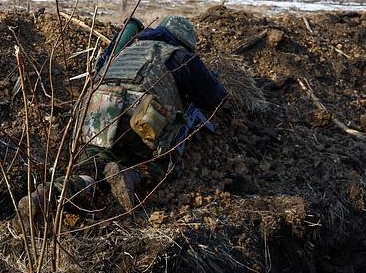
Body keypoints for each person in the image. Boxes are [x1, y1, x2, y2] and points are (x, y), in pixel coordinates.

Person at [19, 15, 227, 221]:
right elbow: (214, 97)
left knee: (91, 166)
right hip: (140, 122)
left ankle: (46, 195)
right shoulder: (180, 56)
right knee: (165, 167)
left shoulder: (126, 49)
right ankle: (131, 175)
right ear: (184, 41)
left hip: (97, 115)